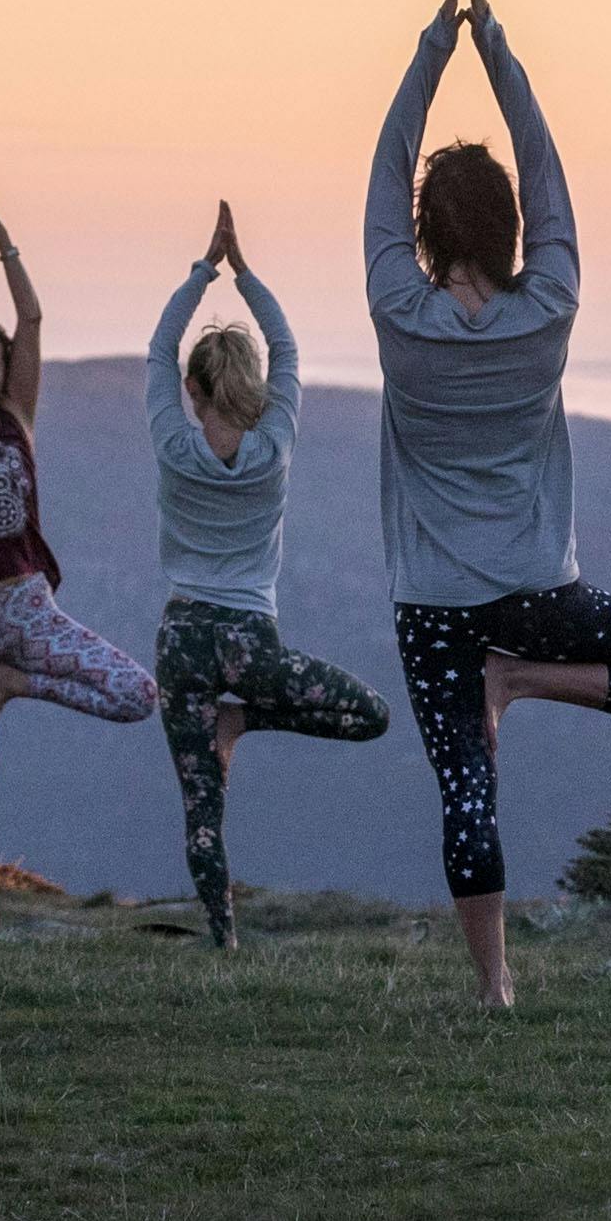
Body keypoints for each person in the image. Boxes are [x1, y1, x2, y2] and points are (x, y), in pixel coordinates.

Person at [368, 0, 611, 1007]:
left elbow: (387, 167)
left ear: (425, 233)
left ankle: (496, 984)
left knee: (464, 791)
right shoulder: (549, 305)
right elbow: (546, 171)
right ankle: (518, 680)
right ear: (511, 230)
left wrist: (434, 48)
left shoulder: (397, 310)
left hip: (432, 603)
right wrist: (498, 51)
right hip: (537, 592)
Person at [0, 170, 158, 931]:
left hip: (28, 607)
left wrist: (4, 240)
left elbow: (33, 316)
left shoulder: (20, 415)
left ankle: (15, 684)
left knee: (138, 695)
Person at [144, 198, 389, 947]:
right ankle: (243, 719)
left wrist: (202, 272)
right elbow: (287, 349)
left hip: (182, 639)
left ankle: (223, 938)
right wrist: (244, 274)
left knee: (201, 808)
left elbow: (158, 350)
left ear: (191, 391)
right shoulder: (274, 445)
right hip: (251, 644)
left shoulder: (172, 444)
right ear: (253, 386)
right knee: (370, 715)